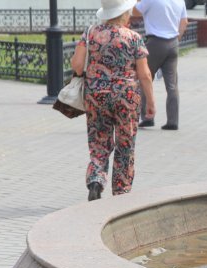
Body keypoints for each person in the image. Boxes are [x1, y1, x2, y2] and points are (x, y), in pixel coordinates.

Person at [72, 0, 155, 201]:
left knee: (99, 142)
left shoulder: (91, 33)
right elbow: (144, 74)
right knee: (125, 145)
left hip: (96, 96)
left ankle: (95, 180)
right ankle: (121, 193)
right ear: (125, 13)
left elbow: (77, 64)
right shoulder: (133, 37)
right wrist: (150, 102)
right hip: (126, 99)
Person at [133, 0, 188, 131]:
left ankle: (147, 117)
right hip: (173, 42)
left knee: (146, 78)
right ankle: (172, 121)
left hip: (155, 42)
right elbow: (184, 22)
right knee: (172, 84)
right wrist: (176, 40)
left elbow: (134, 12)